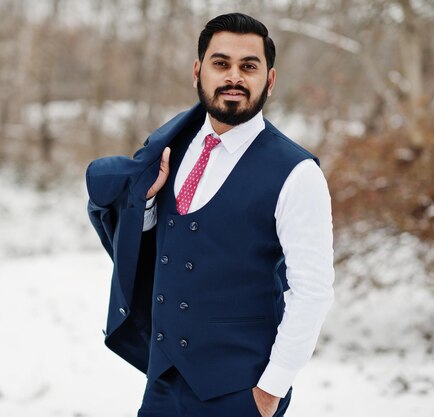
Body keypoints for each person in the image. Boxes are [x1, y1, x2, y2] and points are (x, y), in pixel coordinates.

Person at [86, 12, 334, 417]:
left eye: (248, 66)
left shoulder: (297, 173)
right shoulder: (169, 151)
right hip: (163, 385)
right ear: (198, 71)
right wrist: (147, 204)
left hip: (241, 393)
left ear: (269, 79)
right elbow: (161, 249)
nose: (233, 77)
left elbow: (313, 291)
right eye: (221, 63)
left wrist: (270, 390)